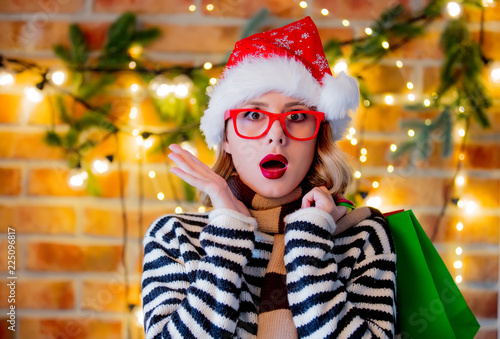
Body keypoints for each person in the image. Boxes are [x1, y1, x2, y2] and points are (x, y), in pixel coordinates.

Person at [141, 16, 397, 339]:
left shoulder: (362, 237)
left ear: (318, 135)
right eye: (253, 114)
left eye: (298, 116)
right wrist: (227, 239)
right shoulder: (175, 239)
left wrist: (310, 243)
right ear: (227, 137)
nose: (276, 135)